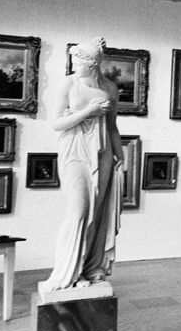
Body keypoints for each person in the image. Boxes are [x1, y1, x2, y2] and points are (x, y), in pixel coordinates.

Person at [39, 38, 124, 295]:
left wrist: (120, 154)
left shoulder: (110, 88)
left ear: (94, 65)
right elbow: (55, 123)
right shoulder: (69, 83)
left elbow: (112, 127)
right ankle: (66, 272)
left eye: (80, 62)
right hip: (74, 150)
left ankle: (89, 268)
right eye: (73, 60)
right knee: (77, 212)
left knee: (96, 214)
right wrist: (88, 111)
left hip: (103, 152)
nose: (75, 65)